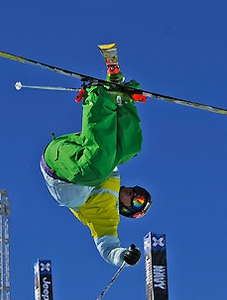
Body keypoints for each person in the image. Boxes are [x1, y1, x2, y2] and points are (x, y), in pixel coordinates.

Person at [40, 44, 151, 267]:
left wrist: (122, 256)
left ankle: (98, 96)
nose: (134, 193)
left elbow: (108, 249)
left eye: (137, 200)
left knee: (98, 169)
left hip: (59, 169)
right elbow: (113, 142)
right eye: (140, 192)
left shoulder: (107, 219)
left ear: (128, 210)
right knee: (130, 149)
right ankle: (119, 95)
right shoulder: (115, 177)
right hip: (76, 145)